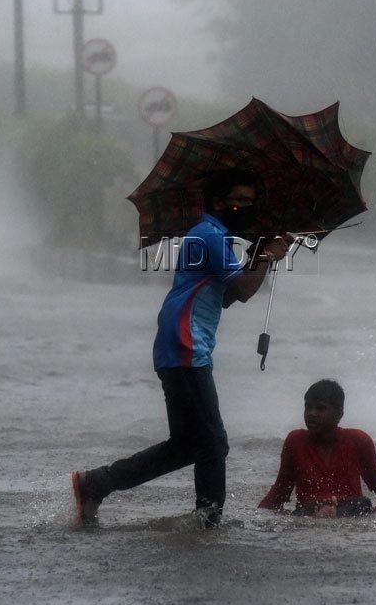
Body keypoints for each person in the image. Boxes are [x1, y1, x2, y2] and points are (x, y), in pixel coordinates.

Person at [72, 169, 290, 528]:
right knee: (214, 442)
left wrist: (258, 256)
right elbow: (248, 290)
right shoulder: (209, 235)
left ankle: (95, 483)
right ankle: (209, 520)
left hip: (179, 342)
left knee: (188, 444)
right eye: (240, 201)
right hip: (187, 343)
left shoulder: (212, 235)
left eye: (251, 202)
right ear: (219, 201)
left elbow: (232, 295)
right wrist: (266, 256)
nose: (246, 208)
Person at [257, 379, 376, 517]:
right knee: (305, 510)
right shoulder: (295, 441)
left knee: (363, 504)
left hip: (350, 510)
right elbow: (280, 490)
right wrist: (258, 516)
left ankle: (330, 514)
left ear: (339, 414)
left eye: (320, 408)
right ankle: (324, 514)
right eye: (308, 407)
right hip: (310, 510)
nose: (311, 413)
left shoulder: (358, 440)